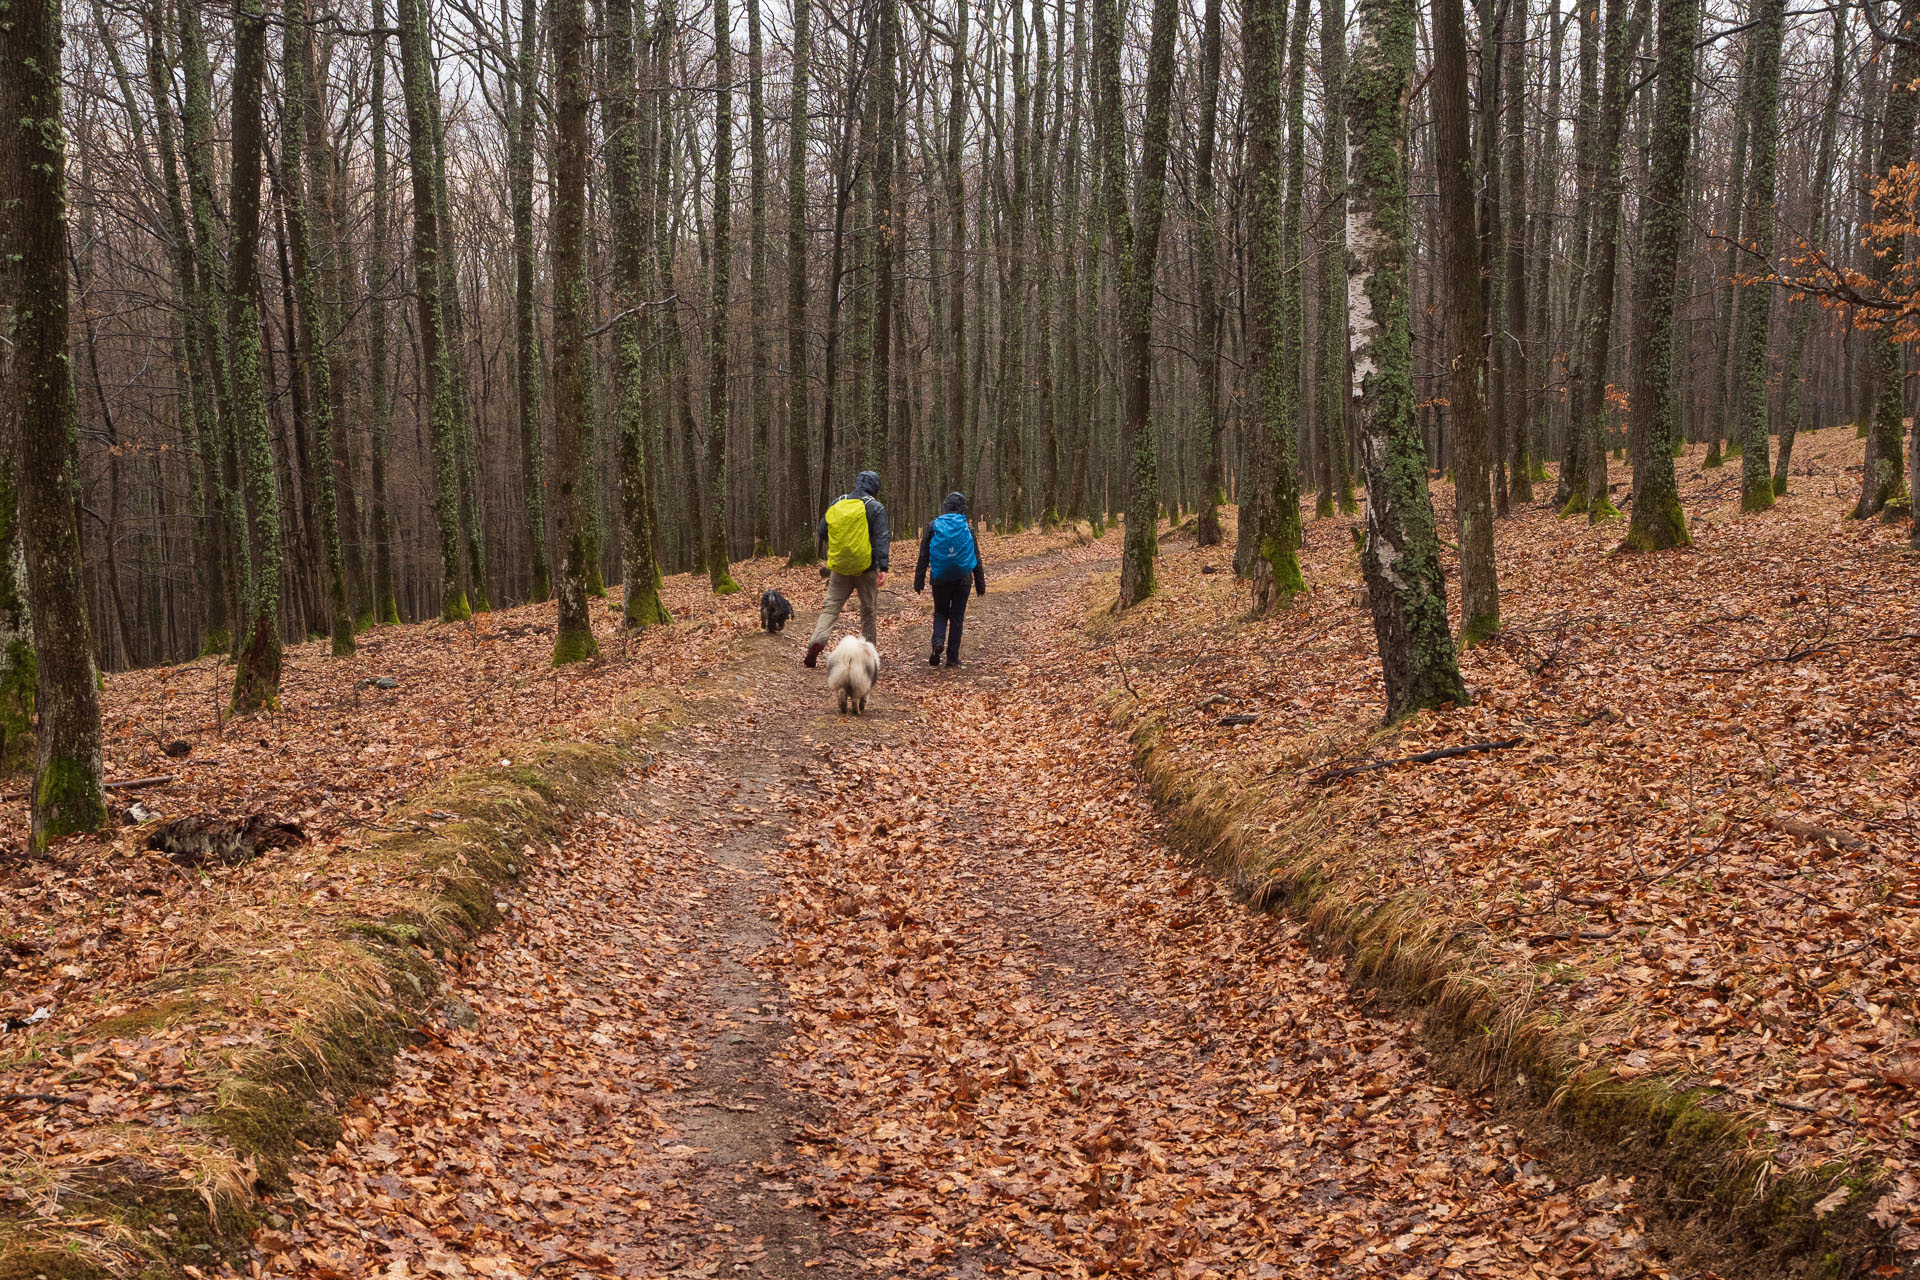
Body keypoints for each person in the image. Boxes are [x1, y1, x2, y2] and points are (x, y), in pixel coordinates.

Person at [804, 470, 890, 668]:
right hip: (866, 569)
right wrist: (883, 566)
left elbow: (822, 530)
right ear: (875, 488)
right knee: (868, 611)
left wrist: (838, 548)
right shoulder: (875, 507)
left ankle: (817, 641)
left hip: (840, 567)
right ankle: (868, 657)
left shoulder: (838, 502)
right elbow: (881, 537)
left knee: (831, 607)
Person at [913, 492, 987, 667]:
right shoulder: (967, 528)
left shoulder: (933, 526)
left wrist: (919, 581)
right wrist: (980, 584)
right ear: (962, 509)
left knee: (940, 612)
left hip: (939, 579)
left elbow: (923, 555)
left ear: (944, 507)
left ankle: (938, 642)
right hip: (963, 579)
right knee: (957, 617)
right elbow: (976, 557)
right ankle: (952, 658)